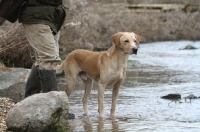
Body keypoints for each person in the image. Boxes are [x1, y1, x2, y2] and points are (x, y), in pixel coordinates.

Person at [18, 0, 66, 98]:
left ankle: (30, 100)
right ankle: (53, 105)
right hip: (36, 15)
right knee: (49, 59)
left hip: (52, 16)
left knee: (44, 59)